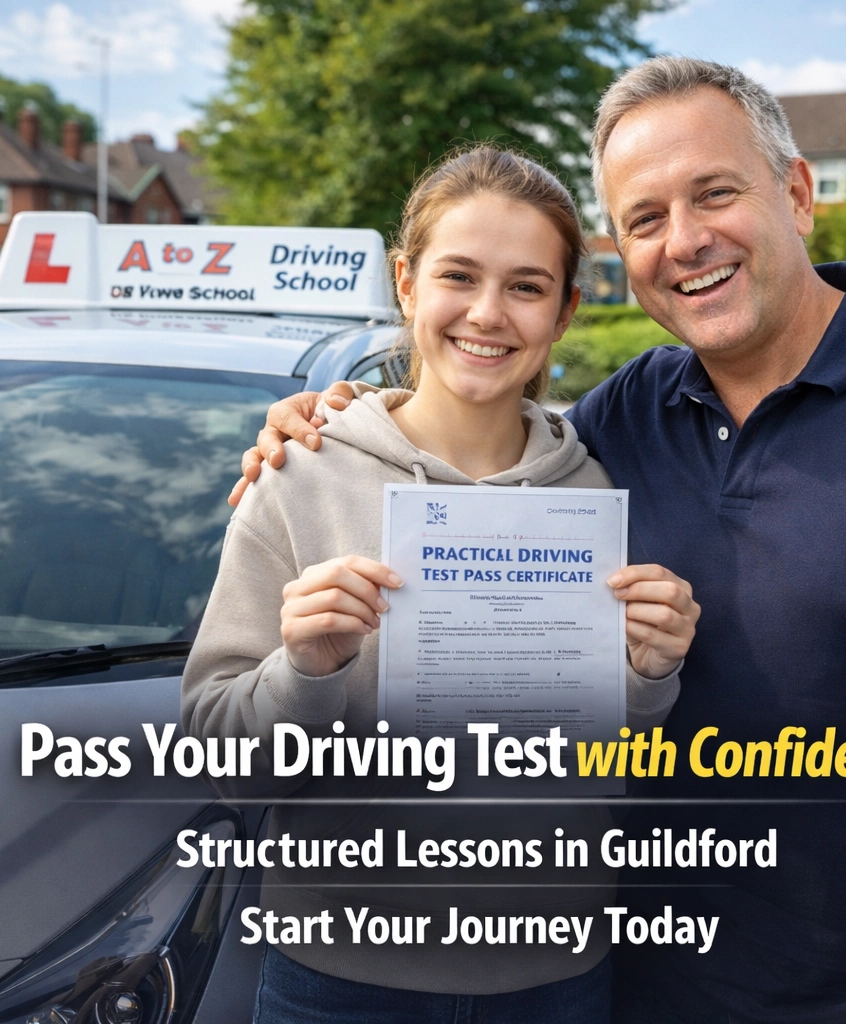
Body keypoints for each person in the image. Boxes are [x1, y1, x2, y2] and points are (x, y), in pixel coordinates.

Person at [230, 59, 846, 1024]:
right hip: (620, 987)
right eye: (645, 219)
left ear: (796, 193)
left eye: (715, 193)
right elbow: (479, 427)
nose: (687, 241)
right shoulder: (625, 417)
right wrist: (341, 414)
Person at [182, 145, 700, 1024]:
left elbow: (604, 764)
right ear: (407, 283)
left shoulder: (600, 492)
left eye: (528, 286)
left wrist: (648, 680)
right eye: (459, 275)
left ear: (567, 311)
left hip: (556, 978)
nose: (488, 314)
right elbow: (222, 764)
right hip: (335, 981)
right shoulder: (300, 475)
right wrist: (303, 669)